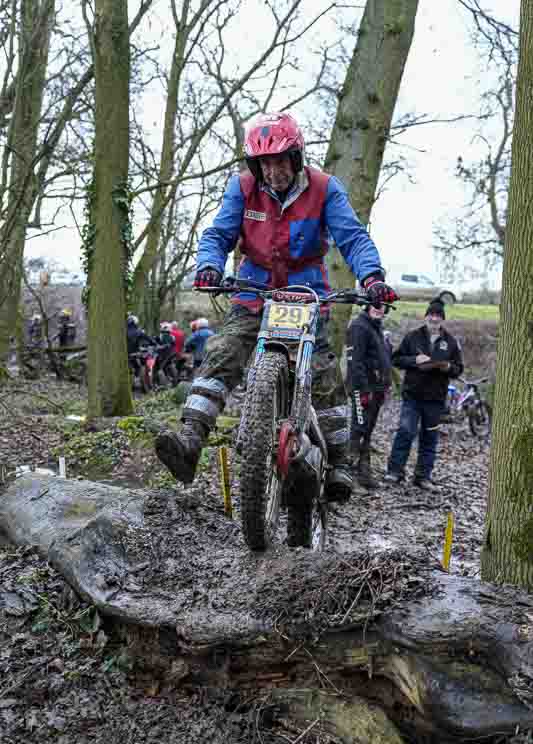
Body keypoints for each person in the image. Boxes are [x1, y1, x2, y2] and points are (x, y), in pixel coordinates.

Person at [155, 111, 397, 500]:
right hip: (253, 290)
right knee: (222, 352)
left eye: (280, 161)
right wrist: (209, 266)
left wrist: (372, 278)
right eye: (265, 163)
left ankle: (339, 464)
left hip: (306, 295)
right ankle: (189, 442)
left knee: (323, 374)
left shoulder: (324, 189)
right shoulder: (242, 188)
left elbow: (352, 238)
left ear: (296, 158)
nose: (273, 171)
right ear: (256, 165)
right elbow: (218, 234)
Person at [384, 298, 463, 490]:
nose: (434, 318)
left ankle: (423, 477)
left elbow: (458, 368)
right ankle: (395, 472)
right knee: (405, 431)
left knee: (430, 438)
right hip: (413, 395)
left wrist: (447, 367)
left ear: (442, 319)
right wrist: (414, 360)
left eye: (438, 316)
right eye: (431, 315)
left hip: (436, 399)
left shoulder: (450, 342)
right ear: (426, 316)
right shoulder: (413, 337)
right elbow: (396, 359)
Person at [347, 301, 392, 489]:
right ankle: (346, 473)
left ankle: (364, 472)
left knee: (368, 430)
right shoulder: (359, 326)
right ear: (366, 305)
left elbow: (381, 359)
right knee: (359, 428)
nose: (379, 308)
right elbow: (354, 362)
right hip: (363, 389)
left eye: (383, 306)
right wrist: (363, 390)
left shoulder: (377, 327)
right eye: (375, 304)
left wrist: (385, 384)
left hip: (377, 388)